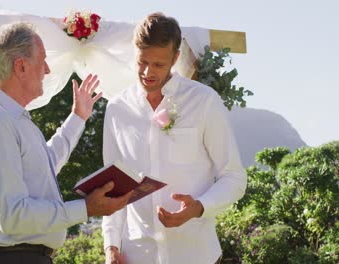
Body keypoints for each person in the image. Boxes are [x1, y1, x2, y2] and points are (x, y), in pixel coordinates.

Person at [0, 22, 133, 264]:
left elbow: (45, 165)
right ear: (21, 66)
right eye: (43, 60)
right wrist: (86, 208)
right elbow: (12, 216)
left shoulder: (12, 119)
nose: (48, 69)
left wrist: (77, 118)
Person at [102, 13, 247, 264]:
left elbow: (235, 177)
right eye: (142, 62)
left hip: (196, 254)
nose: (147, 72)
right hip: (137, 255)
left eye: (158, 64)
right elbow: (112, 186)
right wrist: (111, 245)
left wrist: (200, 207)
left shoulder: (204, 101)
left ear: (175, 58)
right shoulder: (117, 108)